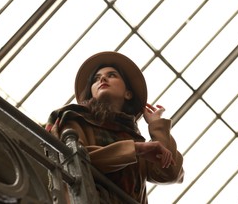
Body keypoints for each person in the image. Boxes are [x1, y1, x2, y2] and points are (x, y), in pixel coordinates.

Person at [46, 51, 184, 203]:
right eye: (96, 79)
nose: (103, 78)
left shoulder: (134, 137)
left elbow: (171, 173)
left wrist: (156, 126)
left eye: (112, 75)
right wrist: (135, 149)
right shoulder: (76, 118)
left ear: (128, 94)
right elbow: (75, 161)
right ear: (91, 93)